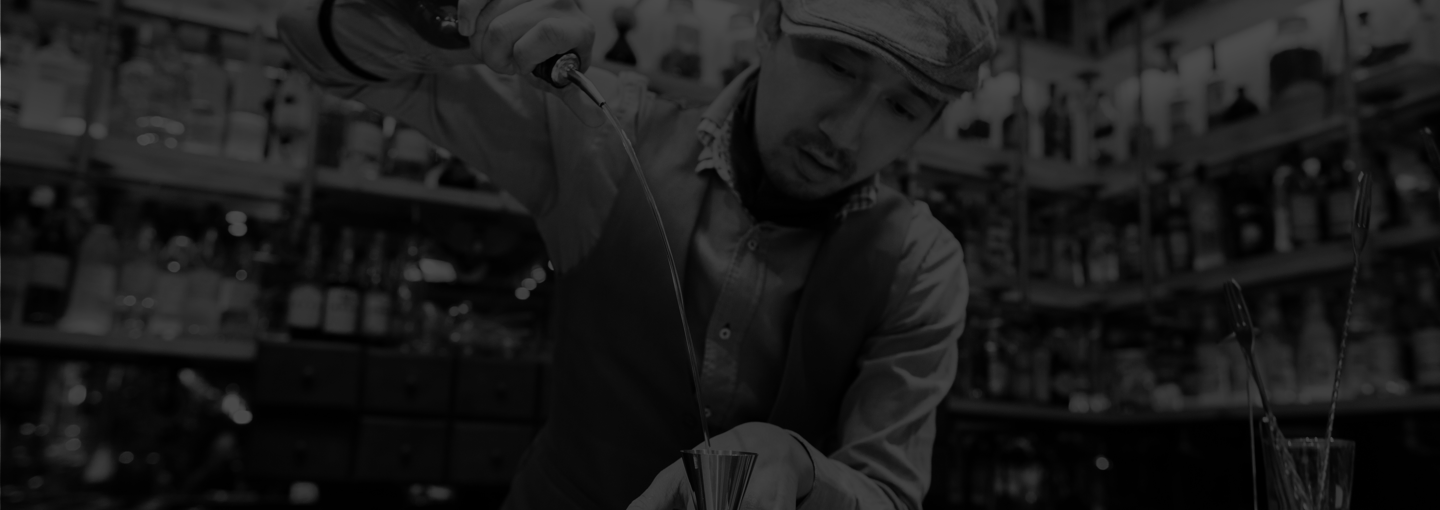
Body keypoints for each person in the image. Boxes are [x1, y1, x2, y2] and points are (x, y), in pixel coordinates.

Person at [277, 0, 998, 508]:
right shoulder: (604, 133)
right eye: (838, 67)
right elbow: (322, 46)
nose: (846, 132)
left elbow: (888, 495)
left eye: (903, 109)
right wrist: (460, 23)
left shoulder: (918, 263)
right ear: (769, 24)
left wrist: (804, 472)